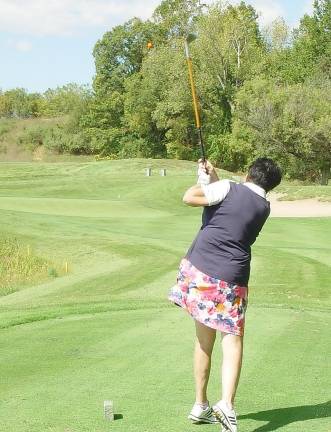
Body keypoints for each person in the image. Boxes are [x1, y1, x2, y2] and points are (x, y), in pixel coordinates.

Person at [168, 158, 282, 432]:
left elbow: (190, 197)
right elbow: (228, 199)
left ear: (247, 173)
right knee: (232, 341)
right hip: (230, 279)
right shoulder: (263, 206)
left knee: (203, 340)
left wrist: (204, 180)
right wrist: (212, 178)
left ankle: (201, 405)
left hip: (199, 270)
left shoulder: (231, 188)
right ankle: (226, 406)